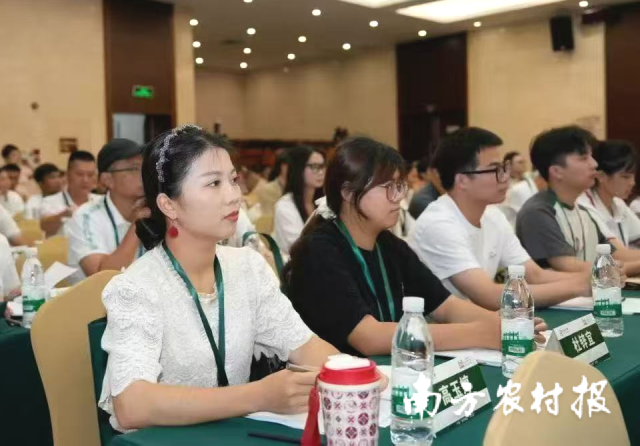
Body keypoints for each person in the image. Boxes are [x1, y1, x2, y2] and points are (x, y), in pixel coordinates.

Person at [98, 125, 338, 432]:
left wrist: (362, 376)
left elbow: (306, 347)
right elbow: (132, 406)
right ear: (168, 204)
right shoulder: (136, 287)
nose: (234, 195)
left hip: (233, 434)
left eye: (233, 180)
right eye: (213, 183)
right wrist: (258, 395)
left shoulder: (248, 268)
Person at [284, 136, 546, 356]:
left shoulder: (389, 245)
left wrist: (504, 324)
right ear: (349, 193)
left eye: (400, 186)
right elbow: (369, 337)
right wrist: (480, 333)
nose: (399, 197)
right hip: (340, 386)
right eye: (388, 187)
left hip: (392, 370)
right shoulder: (318, 250)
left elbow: (445, 306)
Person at [408, 128, 589, 311]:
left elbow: (535, 275)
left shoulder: (493, 215)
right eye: (495, 169)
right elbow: (488, 295)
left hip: (478, 320)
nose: (505, 177)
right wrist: (579, 287)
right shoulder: (438, 224)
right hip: (435, 326)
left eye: (504, 168)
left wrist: (591, 278)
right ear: (462, 180)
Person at [517, 126, 640, 275]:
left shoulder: (585, 212)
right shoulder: (537, 212)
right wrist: (616, 270)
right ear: (556, 171)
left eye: (591, 156)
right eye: (583, 158)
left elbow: (613, 256)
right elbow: (569, 267)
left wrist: (619, 268)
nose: (594, 164)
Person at [65, 139, 148, 284]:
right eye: (134, 168)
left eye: (145, 167)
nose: (144, 174)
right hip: (93, 298)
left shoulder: (158, 210)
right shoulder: (85, 217)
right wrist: (138, 224)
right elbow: (102, 278)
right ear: (107, 179)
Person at [578, 140, 640, 247]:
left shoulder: (618, 203)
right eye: (625, 177)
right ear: (601, 176)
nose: (632, 183)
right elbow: (618, 253)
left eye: (633, 176)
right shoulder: (584, 206)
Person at [273, 146, 325, 254]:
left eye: (322, 166)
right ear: (299, 169)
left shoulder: (323, 202)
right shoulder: (285, 206)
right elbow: (299, 247)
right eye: (314, 167)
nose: (321, 172)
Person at [40, 151, 101, 237]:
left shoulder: (102, 201)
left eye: (90, 175)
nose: (85, 180)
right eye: (80, 174)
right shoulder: (50, 202)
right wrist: (64, 215)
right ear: (67, 175)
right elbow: (44, 228)